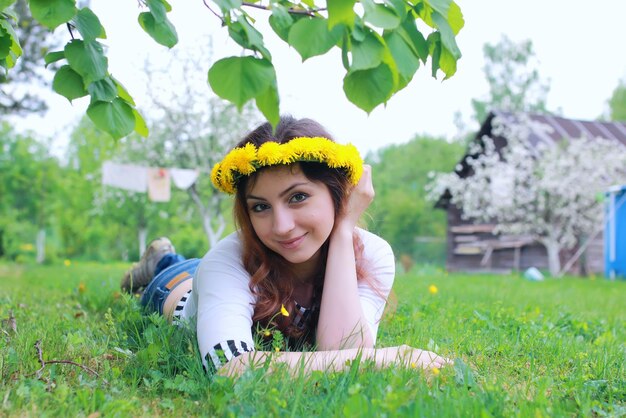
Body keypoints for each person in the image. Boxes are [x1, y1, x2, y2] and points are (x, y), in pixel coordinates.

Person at [121, 116, 450, 376]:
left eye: (298, 197)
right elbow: (228, 368)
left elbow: (341, 348)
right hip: (177, 289)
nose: (281, 227)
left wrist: (342, 230)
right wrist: (393, 359)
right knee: (185, 275)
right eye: (260, 206)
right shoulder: (225, 262)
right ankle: (161, 260)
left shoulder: (374, 253)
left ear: (339, 194)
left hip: (216, 278)